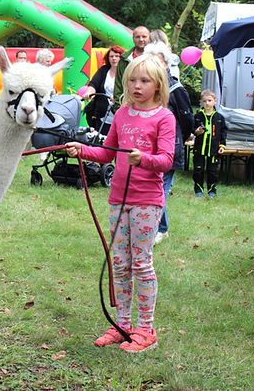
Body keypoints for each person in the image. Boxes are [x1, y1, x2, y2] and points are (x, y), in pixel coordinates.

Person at [65, 54, 175, 354]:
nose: (137, 86)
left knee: (141, 262)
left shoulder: (164, 117)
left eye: (144, 81)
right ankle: (123, 325)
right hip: (118, 200)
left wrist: (145, 159)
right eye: (132, 80)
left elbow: (166, 161)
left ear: (158, 85)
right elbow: (106, 153)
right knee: (121, 263)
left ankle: (146, 329)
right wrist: (83, 150)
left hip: (146, 202)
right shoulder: (123, 114)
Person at [143, 43, 193, 244]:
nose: (153, 64)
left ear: (165, 63)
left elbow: (187, 118)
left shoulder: (175, 88)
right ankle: (159, 227)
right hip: (147, 146)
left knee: (160, 188)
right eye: (150, 60)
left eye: (157, 60)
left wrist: (181, 138)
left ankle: (159, 229)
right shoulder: (145, 87)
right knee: (153, 187)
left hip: (170, 147)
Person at [81, 45, 124, 135]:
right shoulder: (103, 70)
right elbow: (93, 84)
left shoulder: (126, 72)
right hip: (103, 112)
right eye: (111, 56)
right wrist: (89, 92)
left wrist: (117, 97)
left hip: (120, 112)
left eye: (117, 56)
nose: (114, 59)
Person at [192, 89, 227, 197]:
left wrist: (222, 146)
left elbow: (223, 132)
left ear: (214, 101)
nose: (207, 103)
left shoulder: (219, 118)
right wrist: (196, 131)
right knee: (198, 170)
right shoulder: (197, 116)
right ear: (201, 102)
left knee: (213, 171)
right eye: (205, 101)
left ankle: (212, 190)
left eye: (209, 100)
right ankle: (198, 190)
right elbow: (192, 129)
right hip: (200, 148)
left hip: (213, 149)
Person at [112, 25, 150, 112]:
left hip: (149, 108)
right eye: (138, 37)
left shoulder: (154, 58)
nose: (141, 39)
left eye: (144, 36)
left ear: (149, 38)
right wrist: (118, 109)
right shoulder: (124, 59)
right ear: (133, 39)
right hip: (127, 107)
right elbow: (118, 85)